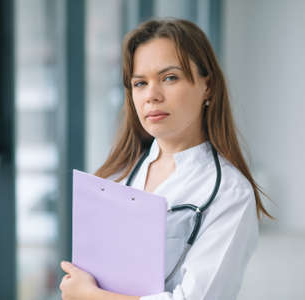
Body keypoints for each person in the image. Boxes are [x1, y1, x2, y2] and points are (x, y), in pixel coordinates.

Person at [59, 18, 272, 300]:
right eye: (140, 83)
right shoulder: (119, 174)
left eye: (170, 78)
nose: (152, 96)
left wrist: (89, 295)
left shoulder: (230, 193)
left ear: (207, 86)